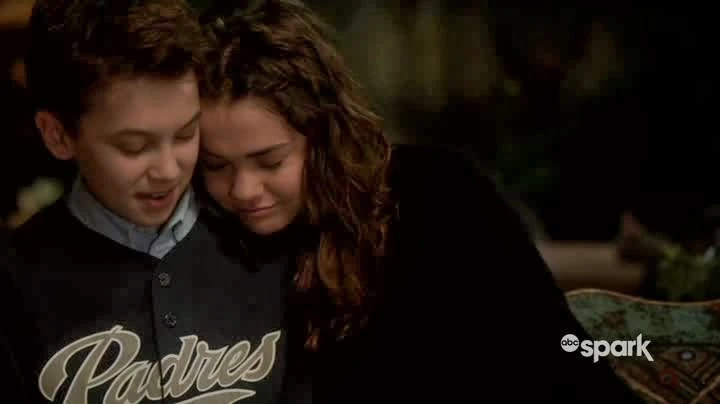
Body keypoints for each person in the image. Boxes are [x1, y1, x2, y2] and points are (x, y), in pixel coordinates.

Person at [196, 1, 645, 402]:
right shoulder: (206, 243)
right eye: (216, 165)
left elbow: (556, 351)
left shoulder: (439, 194)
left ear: (323, 136)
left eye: (270, 161)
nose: (243, 190)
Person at [2, 1, 293, 402]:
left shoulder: (266, 241)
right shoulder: (13, 283)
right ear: (57, 135)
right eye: (134, 147)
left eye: (186, 135)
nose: (169, 171)